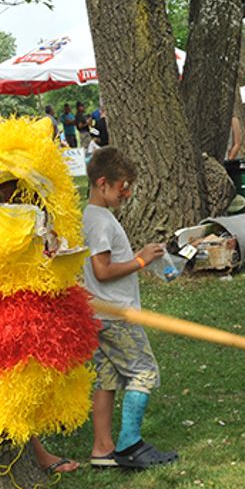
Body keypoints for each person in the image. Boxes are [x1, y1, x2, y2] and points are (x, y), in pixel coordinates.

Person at [83, 148, 178, 470]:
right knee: (143, 371)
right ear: (102, 183)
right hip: (116, 315)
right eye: (123, 186)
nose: (128, 193)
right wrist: (141, 260)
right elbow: (102, 270)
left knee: (106, 378)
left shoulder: (92, 217)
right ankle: (130, 445)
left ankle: (102, 448)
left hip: (99, 314)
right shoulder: (99, 222)